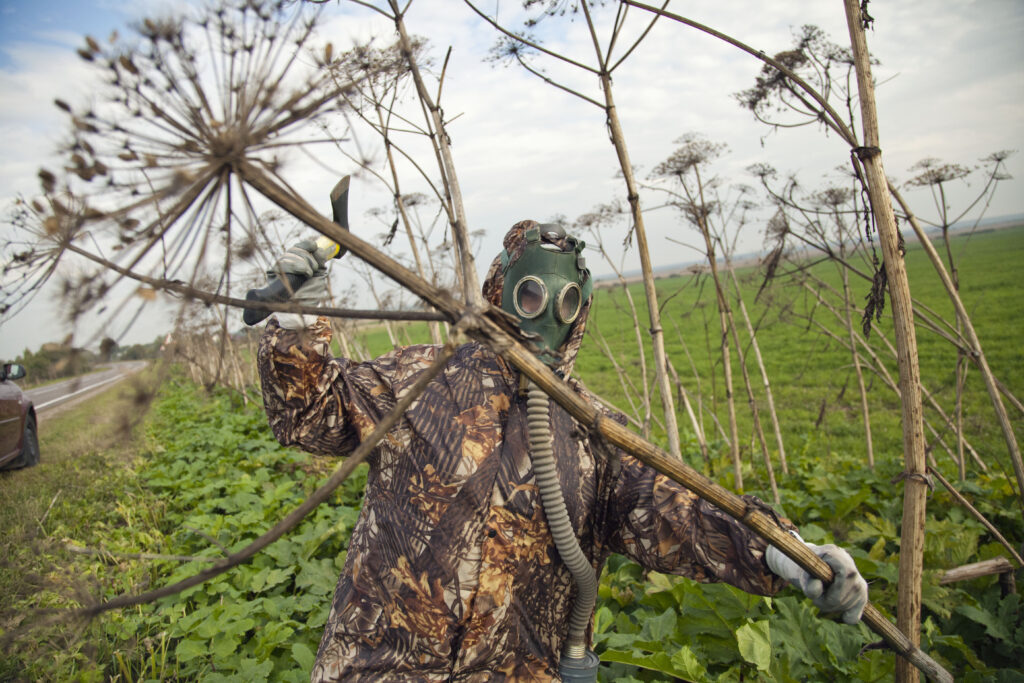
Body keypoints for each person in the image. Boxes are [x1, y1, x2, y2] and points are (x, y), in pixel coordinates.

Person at [256, 220, 868, 682]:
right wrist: (294, 327)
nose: (544, 316)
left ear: (580, 310)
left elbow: (676, 513)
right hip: (379, 666)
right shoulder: (422, 379)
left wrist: (783, 553)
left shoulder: (597, 434)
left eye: (563, 302)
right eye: (528, 297)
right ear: (500, 288)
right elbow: (313, 414)